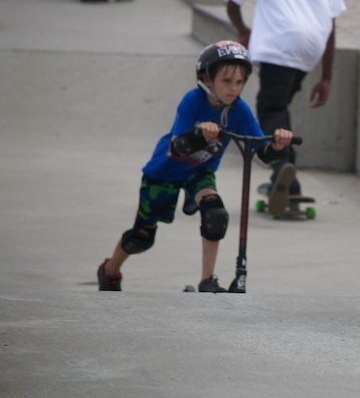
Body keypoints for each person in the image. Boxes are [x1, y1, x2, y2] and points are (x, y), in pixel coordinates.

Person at [97, 41, 295, 292]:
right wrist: (200, 133)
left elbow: (261, 151)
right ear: (207, 78)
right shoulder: (191, 101)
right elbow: (178, 146)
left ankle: (207, 281)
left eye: (239, 82)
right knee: (141, 238)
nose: (233, 89)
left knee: (215, 214)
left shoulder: (239, 110)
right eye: (226, 81)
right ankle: (109, 271)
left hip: (199, 174)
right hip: (163, 173)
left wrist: (278, 144)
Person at [221, 0, 345, 199]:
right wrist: (326, 76)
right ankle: (287, 173)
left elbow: (233, 2)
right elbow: (332, 26)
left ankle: (283, 173)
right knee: (280, 106)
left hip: (279, 42)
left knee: (270, 109)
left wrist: (243, 30)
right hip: (311, 46)